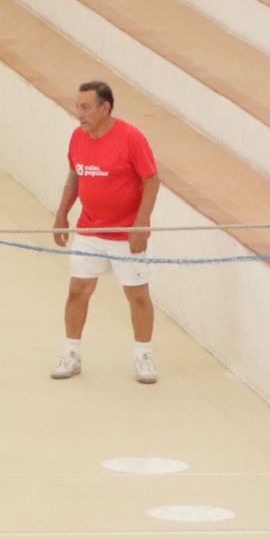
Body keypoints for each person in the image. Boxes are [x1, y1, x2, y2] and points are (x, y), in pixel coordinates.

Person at [51, 80, 161, 384]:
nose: (79, 113)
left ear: (105, 108)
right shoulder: (78, 137)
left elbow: (151, 180)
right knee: (78, 291)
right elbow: (75, 176)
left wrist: (141, 224)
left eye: (85, 107)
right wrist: (62, 214)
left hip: (127, 235)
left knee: (137, 295)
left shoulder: (131, 138)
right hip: (89, 231)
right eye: (77, 106)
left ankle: (143, 357)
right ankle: (72, 354)